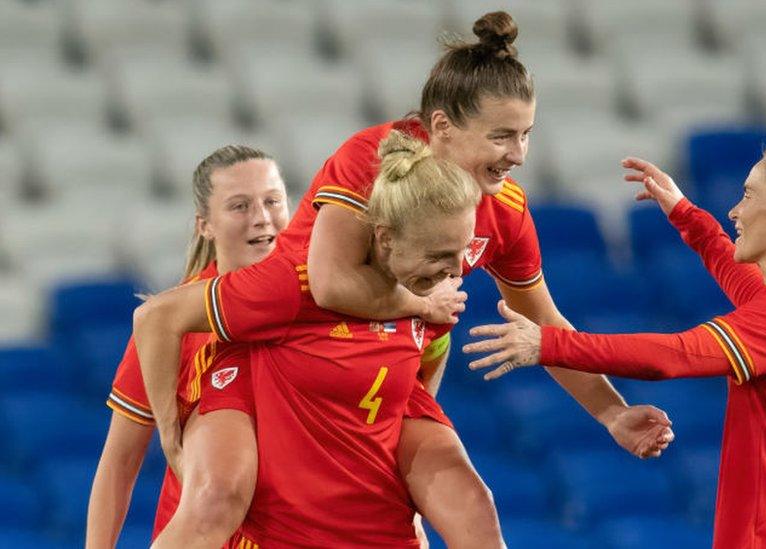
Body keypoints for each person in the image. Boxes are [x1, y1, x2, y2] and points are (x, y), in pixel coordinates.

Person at [142, 9, 673, 546]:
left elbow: (546, 320)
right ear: (440, 127)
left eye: (526, 135)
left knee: (474, 507)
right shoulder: (372, 163)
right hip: (289, 341)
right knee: (215, 504)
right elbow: (328, 284)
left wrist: (613, 413)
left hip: (387, 363)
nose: (517, 154)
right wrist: (422, 307)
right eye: (501, 136)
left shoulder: (505, 209)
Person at [464, 135, 766, 547]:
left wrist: (547, 344)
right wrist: (685, 213)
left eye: (748, 195)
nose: (735, 210)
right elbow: (739, 275)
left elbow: (675, 355)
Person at [135, 132, 493, 546]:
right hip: (287, 495)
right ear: (385, 236)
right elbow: (154, 318)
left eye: (460, 252)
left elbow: (423, 364)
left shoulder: (429, 296)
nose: (455, 271)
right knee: (216, 500)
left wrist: (406, 484)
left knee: (474, 503)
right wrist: (169, 436)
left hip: (360, 497)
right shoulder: (293, 285)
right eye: (437, 255)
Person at [86, 145, 289, 547]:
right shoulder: (171, 324)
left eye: (272, 201)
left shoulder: (325, 301)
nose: (262, 218)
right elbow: (120, 462)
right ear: (205, 225)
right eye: (240, 206)